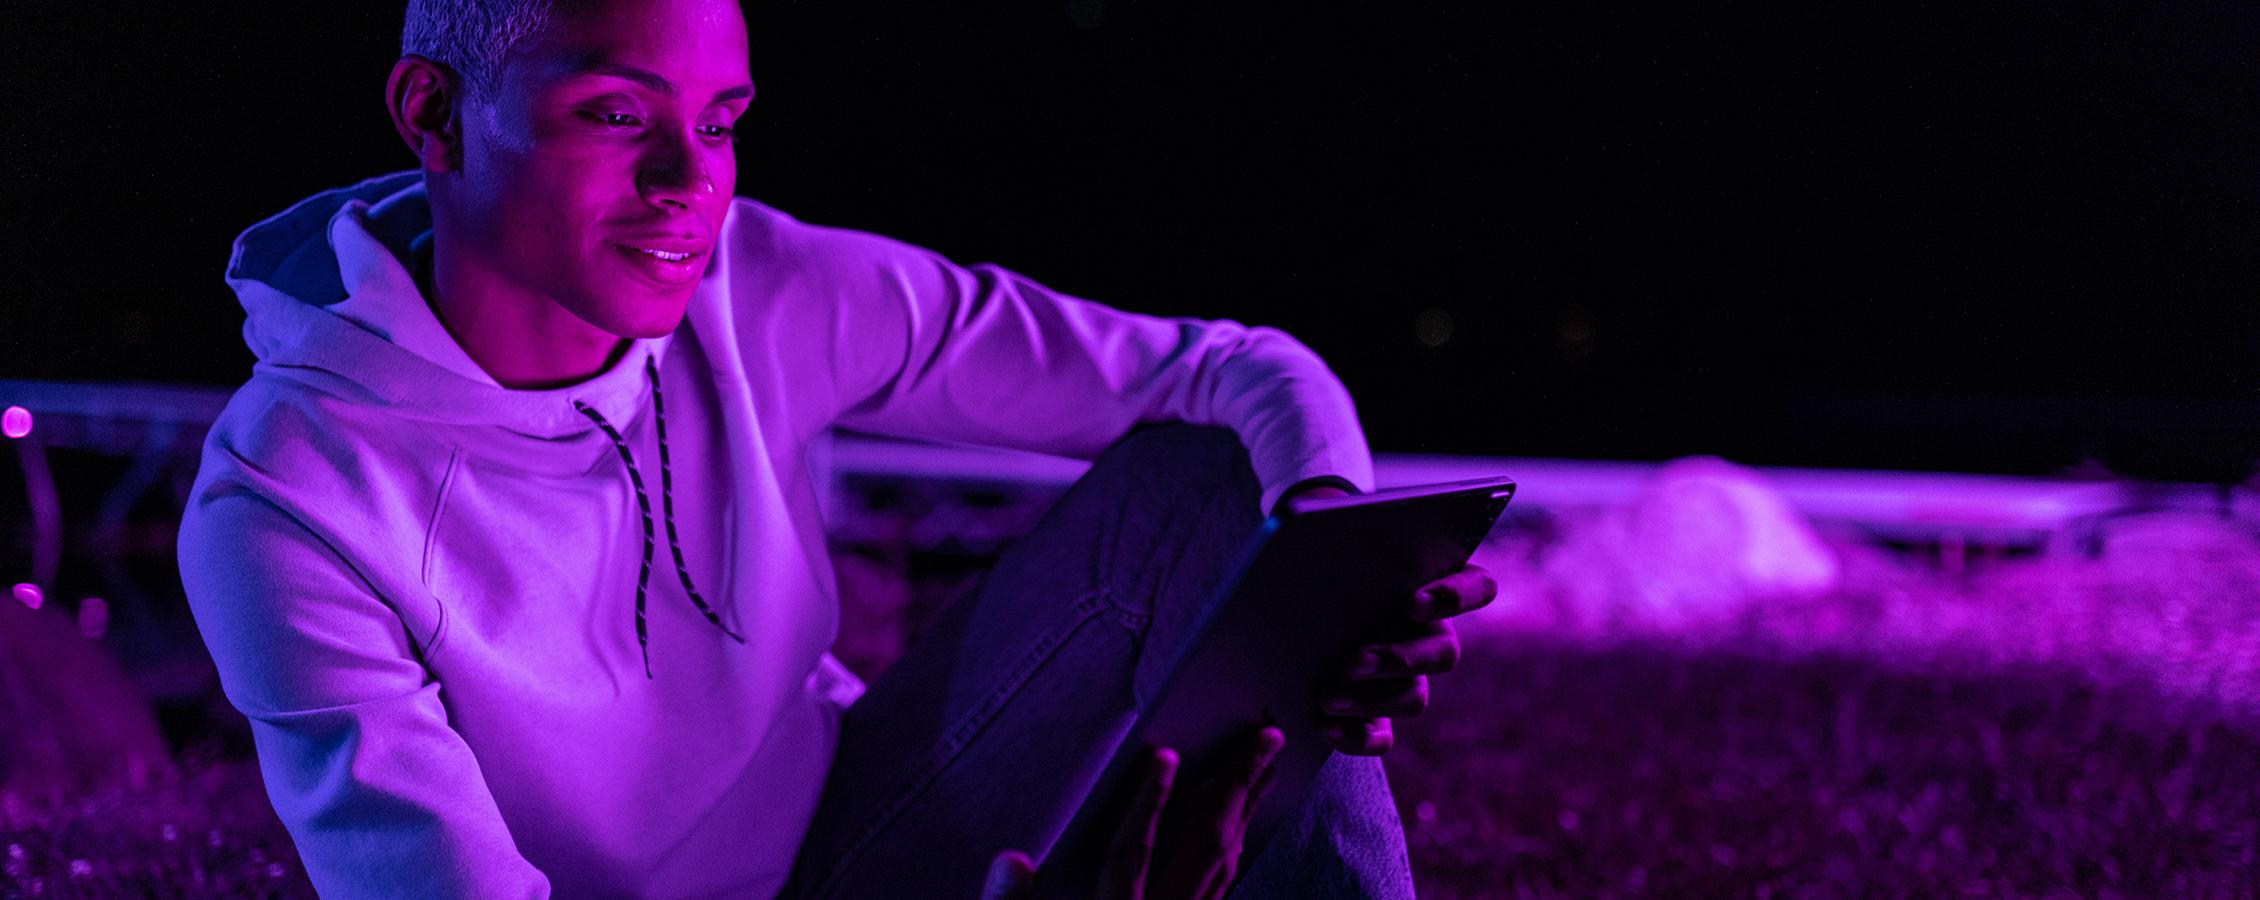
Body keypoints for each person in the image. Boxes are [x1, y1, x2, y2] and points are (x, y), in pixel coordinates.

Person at [175, 0, 1498, 896]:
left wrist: (1327, 578)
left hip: (874, 815)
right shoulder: (287, 503)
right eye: (618, 117)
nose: (691, 184)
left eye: (722, 120)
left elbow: (1232, 369)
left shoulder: (756, 287)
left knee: (1218, 494)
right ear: (434, 111)